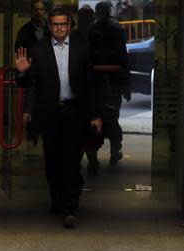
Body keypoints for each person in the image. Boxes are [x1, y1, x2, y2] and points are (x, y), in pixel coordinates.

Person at [15, 7, 102, 228]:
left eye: (63, 24)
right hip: (49, 112)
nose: (59, 28)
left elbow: (91, 84)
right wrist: (23, 72)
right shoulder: (39, 49)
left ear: (69, 25)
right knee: (52, 161)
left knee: (72, 161)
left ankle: (71, 206)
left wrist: (95, 115)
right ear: (50, 26)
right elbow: (29, 85)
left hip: (74, 112)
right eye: (55, 24)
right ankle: (57, 200)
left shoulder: (82, 48)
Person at [86, 1, 131, 173]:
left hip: (96, 82)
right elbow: (123, 59)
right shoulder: (117, 29)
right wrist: (126, 85)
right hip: (114, 82)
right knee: (112, 117)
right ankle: (114, 150)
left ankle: (92, 157)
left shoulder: (92, 30)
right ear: (110, 11)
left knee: (94, 117)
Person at [14, 0, 51, 127]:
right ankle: (33, 129)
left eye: (41, 9)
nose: (38, 12)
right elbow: (19, 52)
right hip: (31, 71)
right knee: (31, 101)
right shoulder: (24, 31)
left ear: (44, 11)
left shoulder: (50, 30)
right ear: (32, 11)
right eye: (36, 9)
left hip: (48, 72)